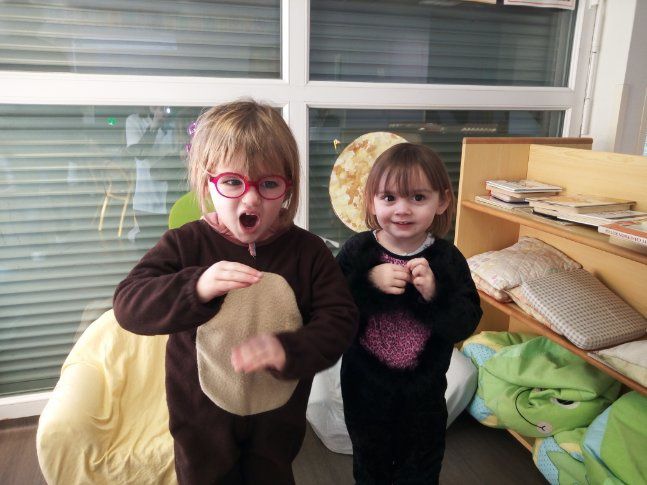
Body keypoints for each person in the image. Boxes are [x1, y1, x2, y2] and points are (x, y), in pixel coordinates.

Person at [113, 99, 358, 484]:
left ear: (288, 186)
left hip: (277, 424)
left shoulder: (307, 252)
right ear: (208, 181)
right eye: (232, 182)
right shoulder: (185, 244)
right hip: (201, 424)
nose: (251, 199)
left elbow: (341, 320)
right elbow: (128, 304)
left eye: (269, 184)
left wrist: (289, 349)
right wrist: (196, 286)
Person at [336, 142, 482, 484]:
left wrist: (435, 293)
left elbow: (465, 321)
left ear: (442, 200)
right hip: (364, 391)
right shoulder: (358, 251)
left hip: (424, 396)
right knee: (369, 466)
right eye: (389, 198)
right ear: (372, 200)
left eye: (418, 198)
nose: (402, 210)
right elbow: (330, 311)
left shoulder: (447, 258)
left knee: (422, 467)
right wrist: (368, 283)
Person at [125, 106, 179, 226]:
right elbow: (140, 154)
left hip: (173, 199)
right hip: (146, 199)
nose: (160, 108)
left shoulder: (177, 123)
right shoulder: (134, 121)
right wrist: (155, 124)